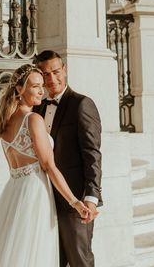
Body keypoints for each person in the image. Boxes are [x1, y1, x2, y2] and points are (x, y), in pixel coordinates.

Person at [0, 64, 89, 267]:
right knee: (35, 254)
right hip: (36, 192)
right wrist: (75, 202)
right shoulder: (33, 119)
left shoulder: (4, 124)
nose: (42, 91)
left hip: (14, 191)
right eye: (35, 86)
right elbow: (49, 166)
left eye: (41, 86)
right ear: (20, 89)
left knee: (15, 251)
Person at [34, 50, 103, 267]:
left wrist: (91, 197)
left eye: (56, 72)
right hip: (43, 198)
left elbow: (92, 154)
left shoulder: (82, 104)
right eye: (45, 74)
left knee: (79, 260)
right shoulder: (38, 108)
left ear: (65, 70)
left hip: (75, 199)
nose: (52, 79)